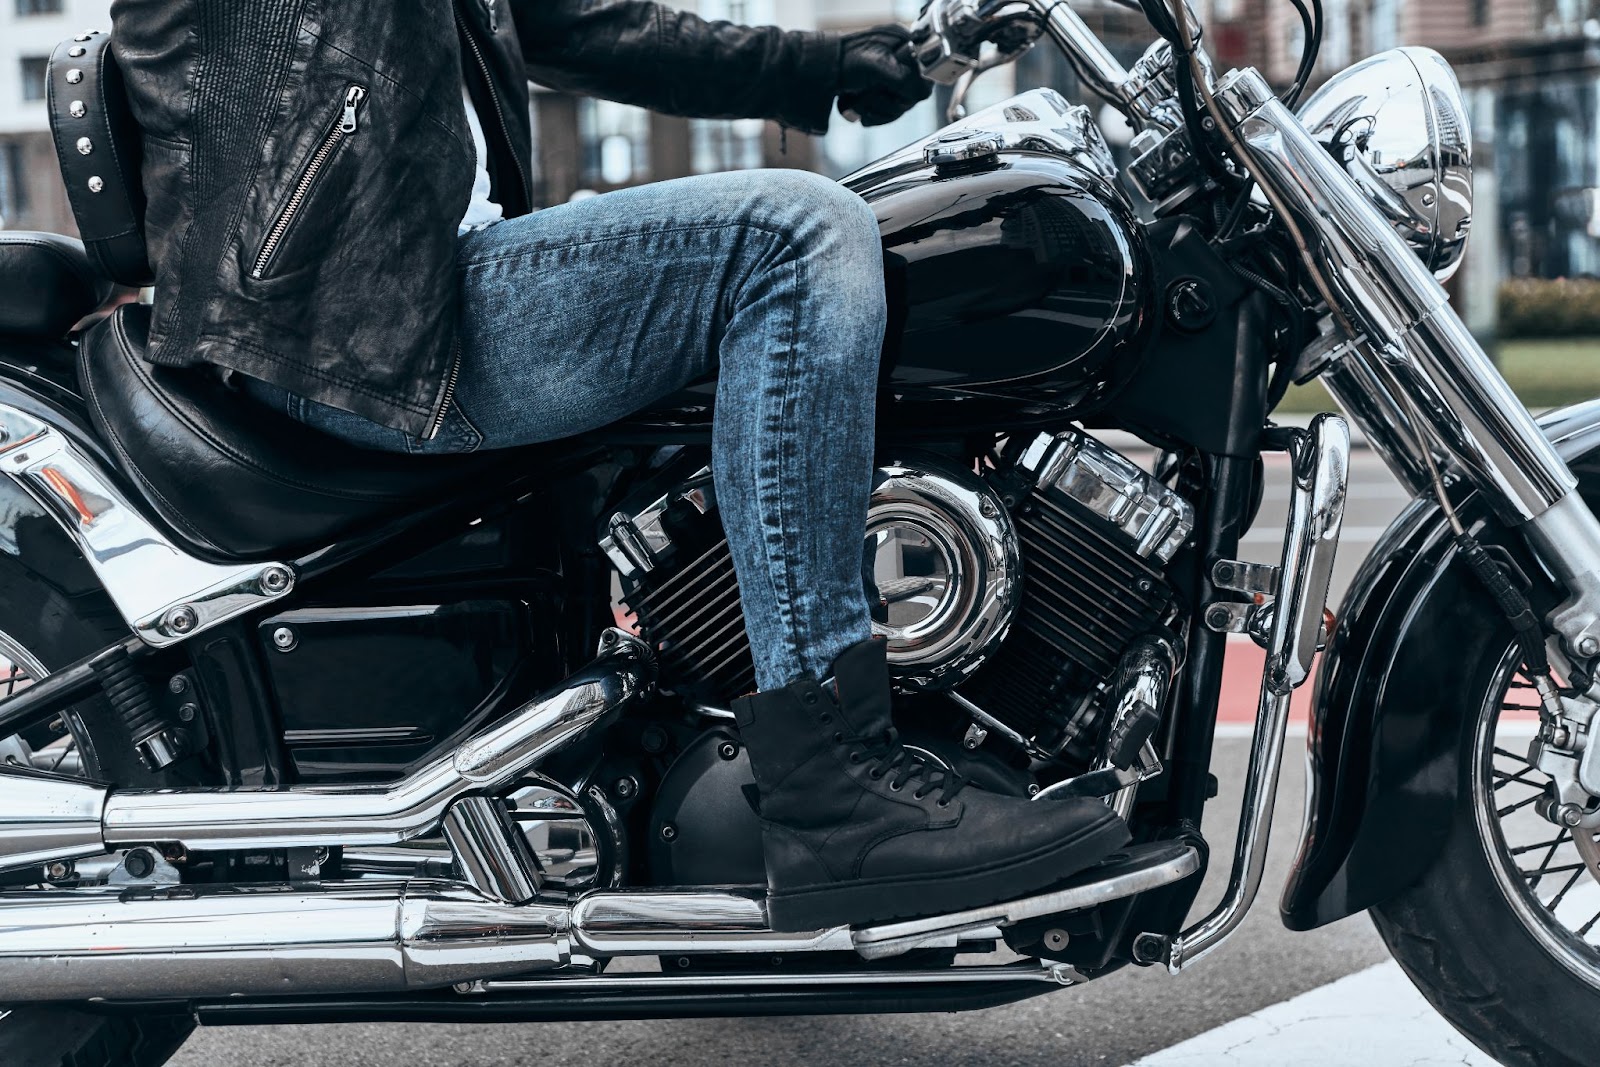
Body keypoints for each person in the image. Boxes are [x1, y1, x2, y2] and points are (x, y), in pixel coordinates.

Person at [113, 0, 1128, 933]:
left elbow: (577, 21)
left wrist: (823, 66)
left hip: (399, 288)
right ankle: (833, 780)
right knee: (797, 236)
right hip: (341, 315)